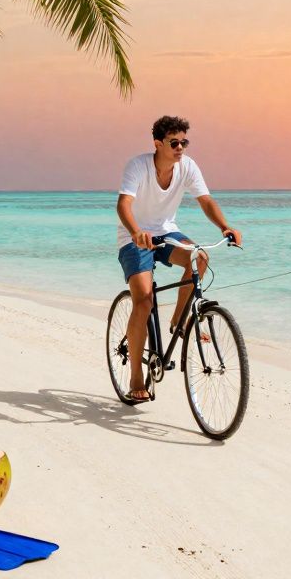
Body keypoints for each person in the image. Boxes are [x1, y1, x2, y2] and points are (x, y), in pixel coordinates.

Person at [115, 115, 242, 403]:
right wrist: (135, 232)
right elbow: (124, 204)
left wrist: (225, 226)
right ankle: (136, 377)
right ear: (157, 144)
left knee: (200, 258)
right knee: (144, 301)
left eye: (184, 142)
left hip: (166, 233)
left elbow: (205, 200)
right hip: (134, 239)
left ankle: (179, 322)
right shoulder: (138, 166)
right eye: (174, 143)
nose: (181, 148)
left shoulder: (187, 166)